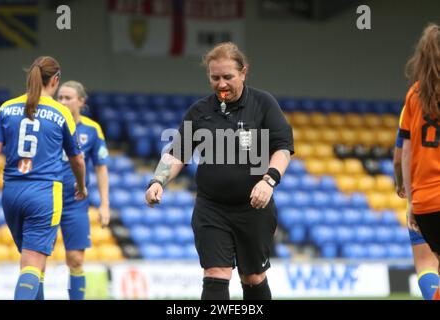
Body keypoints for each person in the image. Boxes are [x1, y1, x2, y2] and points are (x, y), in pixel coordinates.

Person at [145, 42, 294, 300]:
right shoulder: (200, 111)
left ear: (243, 73)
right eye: (215, 78)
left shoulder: (263, 104)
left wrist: (269, 180)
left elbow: (282, 148)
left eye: (228, 77)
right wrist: (158, 180)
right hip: (211, 207)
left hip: (254, 209)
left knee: (253, 278)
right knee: (215, 274)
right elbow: (178, 152)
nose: (221, 84)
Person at [0, 56, 86, 300]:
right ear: (55, 80)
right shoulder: (61, 112)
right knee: (32, 264)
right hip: (44, 194)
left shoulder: (6, 108)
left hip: (11, 194)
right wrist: (81, 185)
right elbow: (77, 159)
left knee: (32, 263)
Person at [57, 81, 110, 300]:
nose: (62, 102)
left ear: (81, 101)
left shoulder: (92, 129)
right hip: (46, 199)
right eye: (59, 97)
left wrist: (105, 204)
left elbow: (101, 168)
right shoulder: (50, 124)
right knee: (38, 259)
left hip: (75, 202)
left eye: (67, 98)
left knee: (76, 259)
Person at [400, 23, 440, 300]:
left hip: (426, 202)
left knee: (429, 264)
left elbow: (406, 152)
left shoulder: (414, 95)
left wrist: (412, 201)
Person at [393, 129, 439, 299]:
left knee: (427, 263)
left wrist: (401, 186)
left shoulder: (412, 104)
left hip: (423, 196)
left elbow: (401, 157)